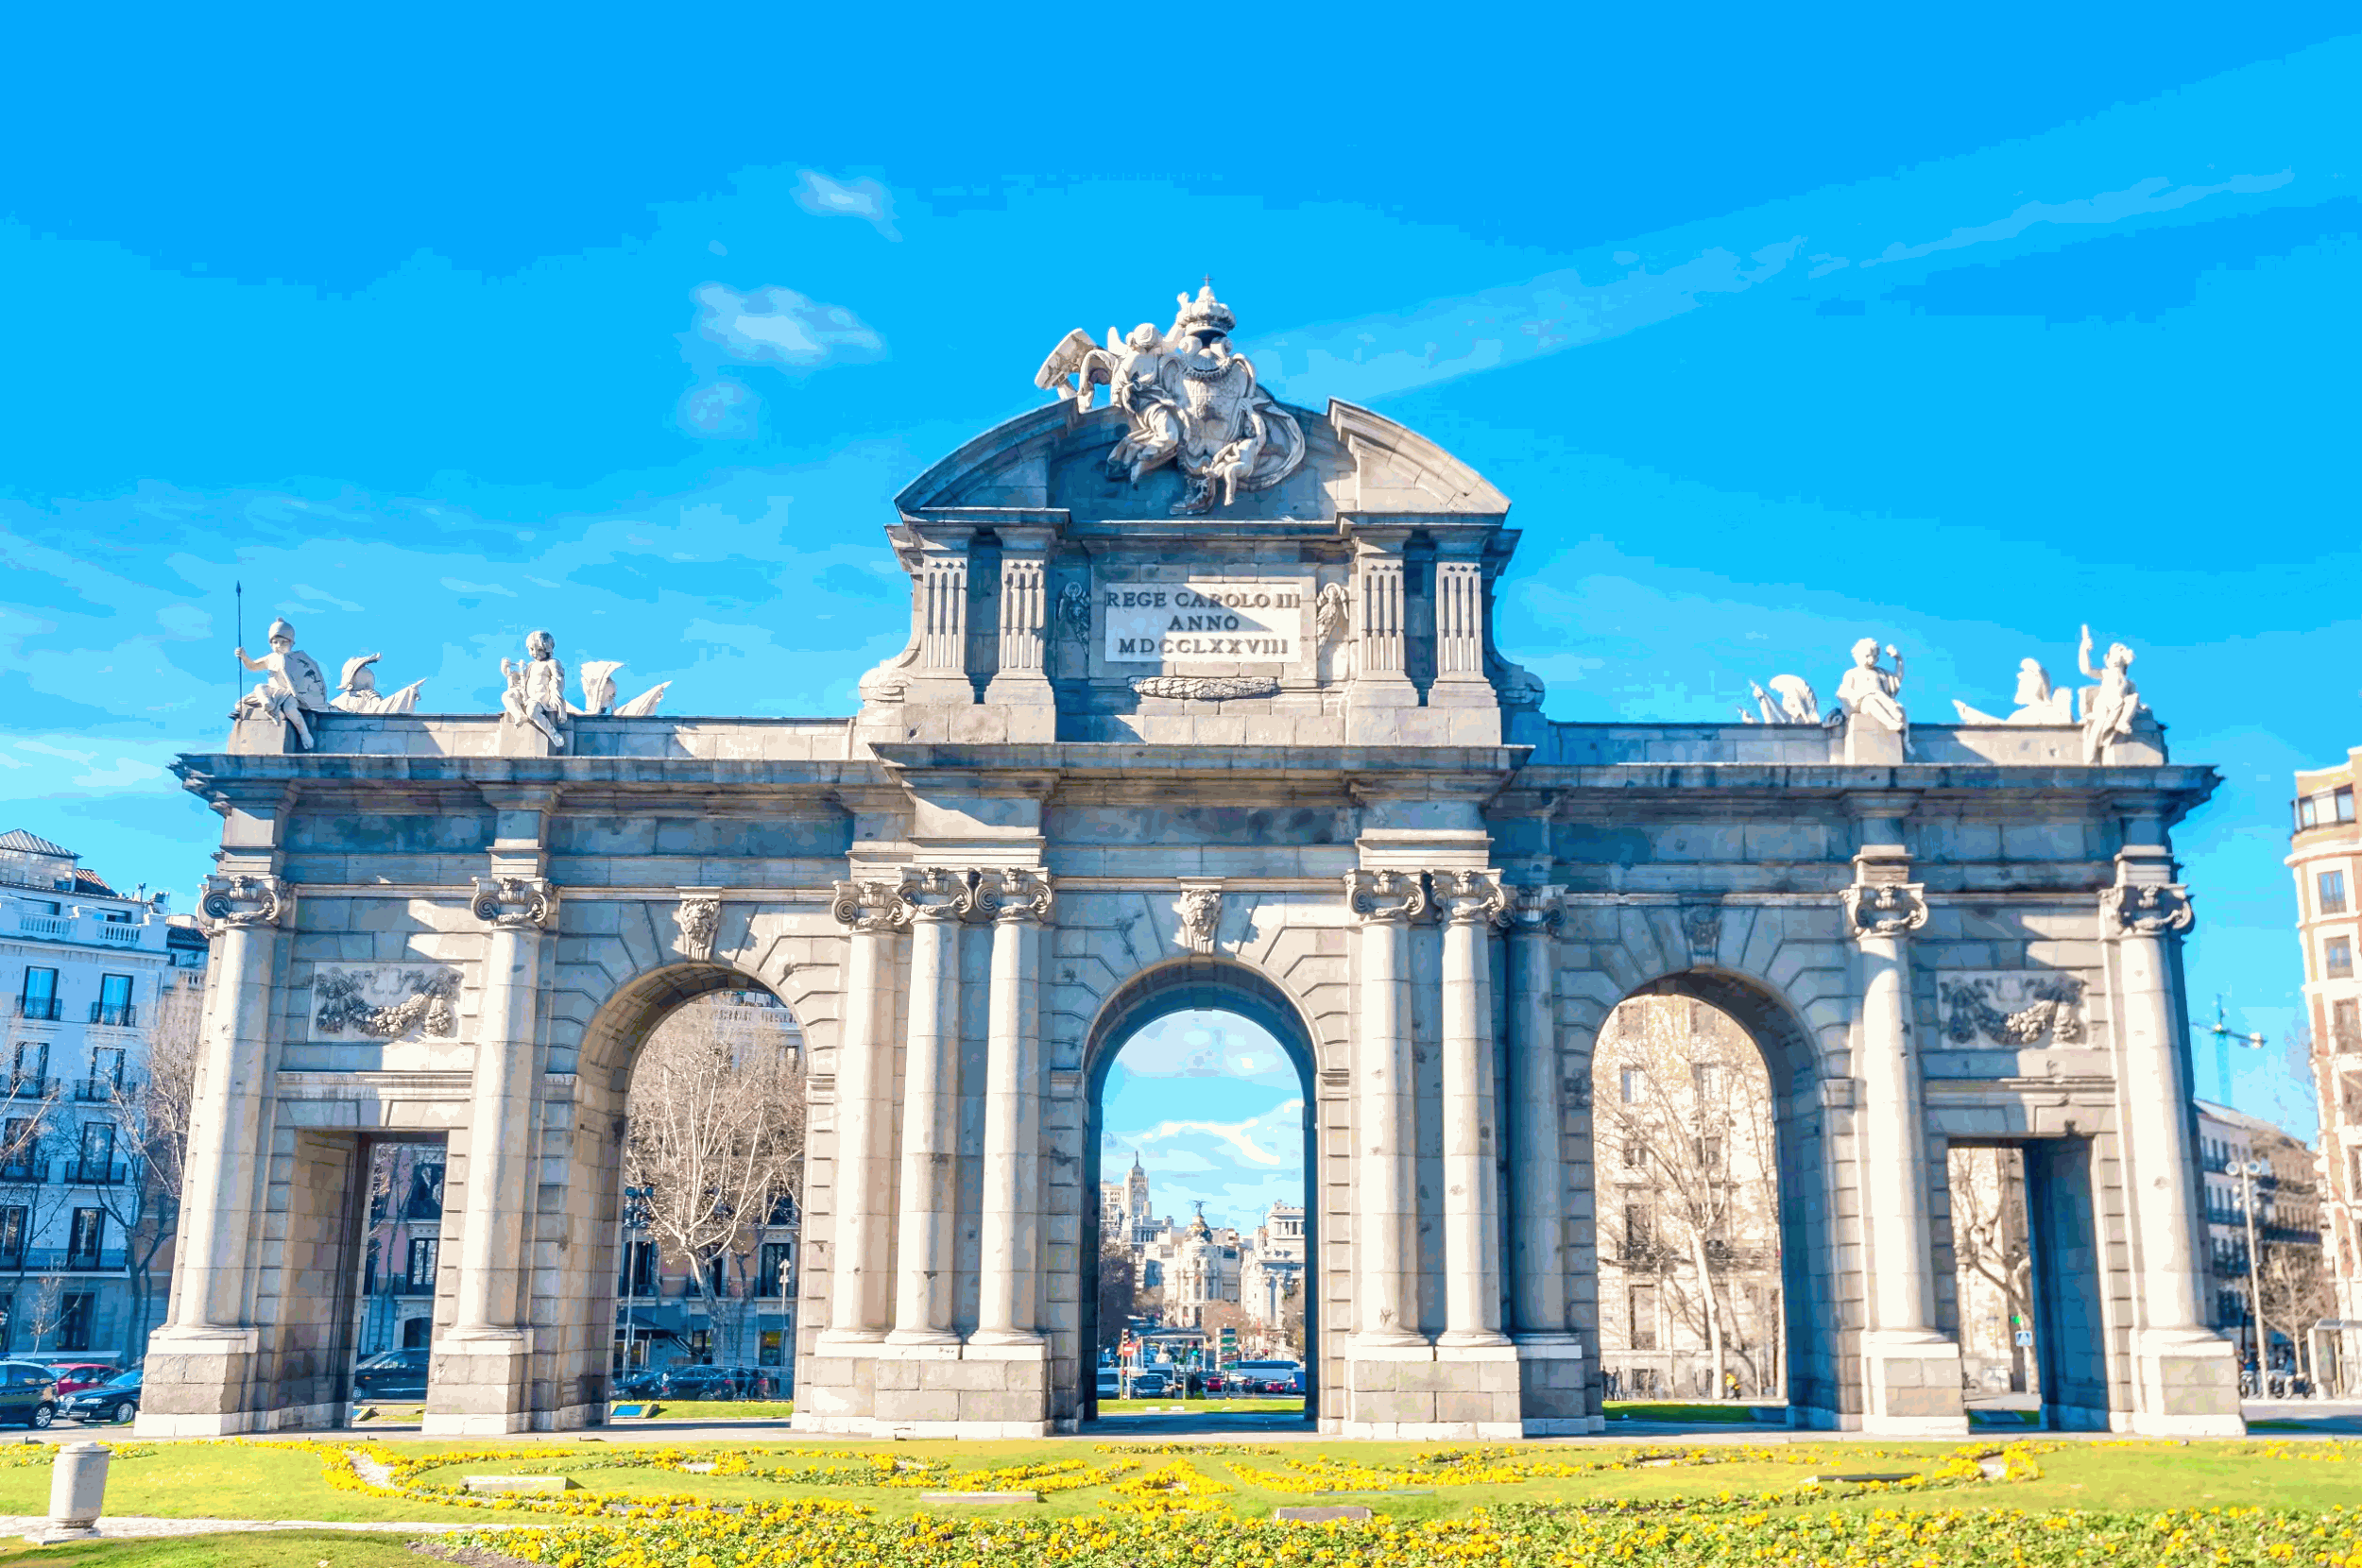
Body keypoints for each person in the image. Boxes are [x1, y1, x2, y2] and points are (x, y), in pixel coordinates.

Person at [232, 617, 330, 749]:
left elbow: (308, 678)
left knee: (290, 709)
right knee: (258, 687)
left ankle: (304, 733)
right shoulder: (270, 658)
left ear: (291, 644)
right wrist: (244, 657)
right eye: (275, 642)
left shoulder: (298, 660)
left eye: (283, 642)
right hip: (273, 691)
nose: (279, 646)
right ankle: (268, 703)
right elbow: (253, 666)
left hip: (290, 694)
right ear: (271, 644)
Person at [2077, 624, 2139, 764]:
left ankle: (2123, 722)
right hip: (2104, 703)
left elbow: (2135, 700)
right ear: (2107, 659)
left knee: (2134, 698)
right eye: (2113, 656)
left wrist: (2141, 707)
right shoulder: (2105, 673)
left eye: (2119, 657)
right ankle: (2090, 757)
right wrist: (2084, 649)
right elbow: (2086, 670)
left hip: (2118, 705)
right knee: (2099, 724)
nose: (2116, 661)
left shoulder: (2128, 682)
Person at [501, 629, 569, 750]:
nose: (534, 653)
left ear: (547, 649)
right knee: (507, 695)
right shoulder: (531, 665)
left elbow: (557, 681)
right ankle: (520, 715)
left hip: (542, 698)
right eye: (531, 649)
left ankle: (552, 734)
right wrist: (508, 671)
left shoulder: (553, 663)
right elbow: (520, 681)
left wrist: (557, 701)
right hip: (527, 695)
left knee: (532, 710)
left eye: (539, 649)